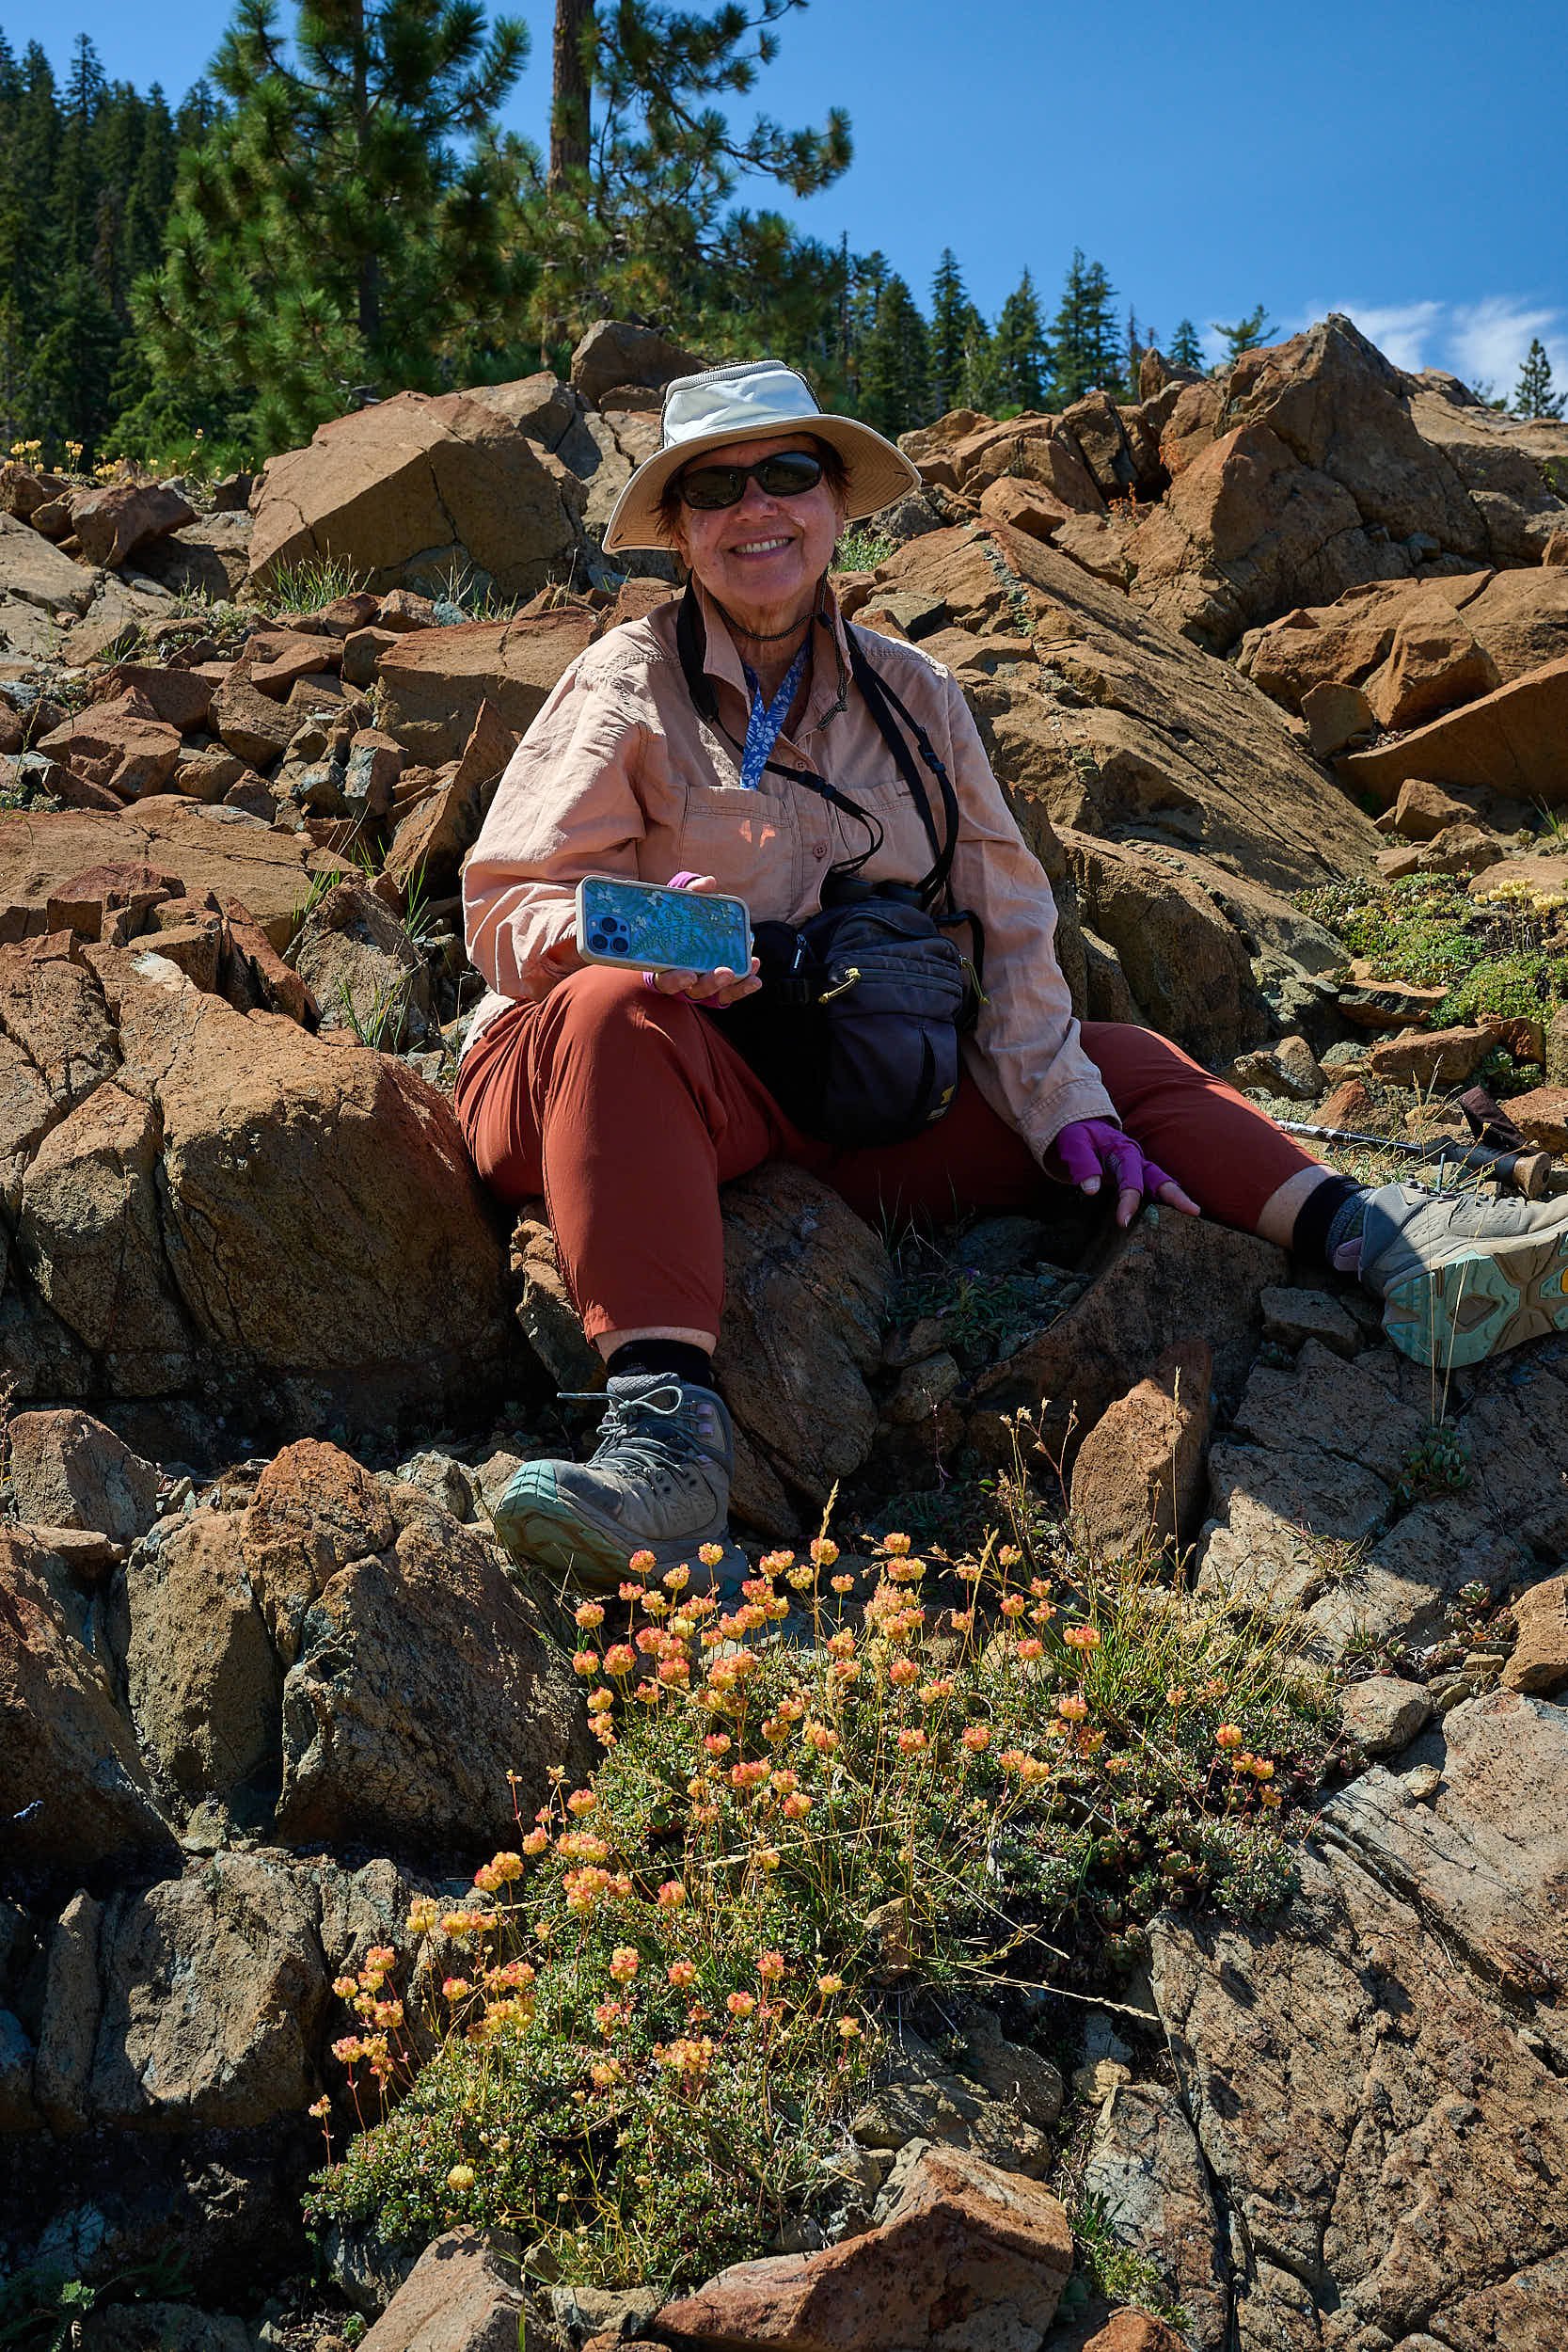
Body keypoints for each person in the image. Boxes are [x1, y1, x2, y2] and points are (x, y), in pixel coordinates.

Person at [456, 358, 1568, 1591]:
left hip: (829, 1085)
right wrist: (625, 938)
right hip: (601, 1073)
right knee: (616, 1010)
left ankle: (1387, 1241)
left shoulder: (917, 697)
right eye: (715, 488)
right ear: (678, 529)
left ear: (835, 502)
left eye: (787, 473)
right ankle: (665, 1448)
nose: (755, 506)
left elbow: (1008, 928)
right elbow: (502, 905)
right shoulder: (628, 680)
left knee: (1119, 1065)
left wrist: (1061, 1105)